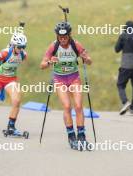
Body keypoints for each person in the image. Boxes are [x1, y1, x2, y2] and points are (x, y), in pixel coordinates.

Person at [40, 22, 92, 150]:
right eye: (60, 37)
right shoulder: (54, 46)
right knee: (67, 106)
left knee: (79, 106)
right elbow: (42, 65)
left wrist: (86, 58)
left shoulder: (76, 45)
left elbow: (90, 61)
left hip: (74, 78)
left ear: (69, 35)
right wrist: (49, 62)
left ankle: (81, 136)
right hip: (60, 79)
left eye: (65, 37)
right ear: (57, 36)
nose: (62, 40)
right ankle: (71, 136)